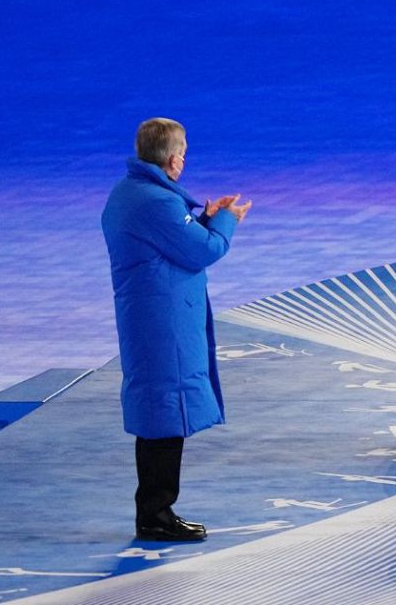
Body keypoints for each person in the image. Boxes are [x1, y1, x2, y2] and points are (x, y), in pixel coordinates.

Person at [100, 118, 250, 542]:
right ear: (173, 158)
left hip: (151, 319)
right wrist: (224, 222)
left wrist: (204, 217)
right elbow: (204, 250)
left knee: (157, 412)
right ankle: (156, 513)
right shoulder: (157, 203)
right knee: (166, 413)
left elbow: (171, 242)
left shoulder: (128, 193)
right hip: (164, 324)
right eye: (183, 151)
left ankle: (154, 509)